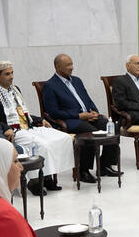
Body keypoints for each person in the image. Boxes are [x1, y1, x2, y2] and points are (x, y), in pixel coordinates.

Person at [0, 60, 75, 195]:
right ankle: (35, 182)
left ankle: (47, 176)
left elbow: (24, 113)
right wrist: (6, 128)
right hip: (13, 130)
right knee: (42, 145)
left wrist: (40, 120)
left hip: (28, 126)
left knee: (62, 137)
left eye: (12, 73)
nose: (11, 77)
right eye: (7, 74)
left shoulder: (15, 89)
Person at [43, 54, 120, 183]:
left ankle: (105, 165)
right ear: (57, 67)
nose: (72, 67)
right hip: (70, 121)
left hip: (88, 116)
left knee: (112, 127)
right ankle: (83, 170)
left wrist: (95, 112)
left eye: (72, 64)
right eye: (68, 65)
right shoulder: (50, 86)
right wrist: (79, 116)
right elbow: (53, 112)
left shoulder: (77, 81)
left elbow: (88, 100)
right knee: (90, 133)